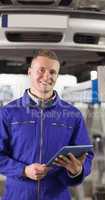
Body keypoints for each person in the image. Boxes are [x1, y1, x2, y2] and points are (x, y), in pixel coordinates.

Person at [0, 49, 94, 200]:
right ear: (30, 72)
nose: (47, 76)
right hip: (18, 195)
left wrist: (77, 170)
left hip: (57, 195)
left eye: (52, 72)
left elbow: (87, 155)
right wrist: (23, 170)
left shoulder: (72, 115)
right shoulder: (8, 113)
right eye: (41, 70)